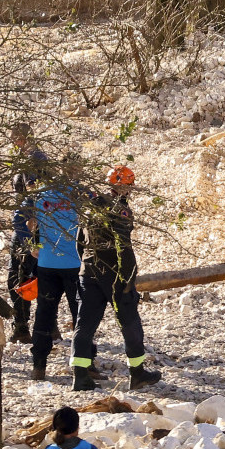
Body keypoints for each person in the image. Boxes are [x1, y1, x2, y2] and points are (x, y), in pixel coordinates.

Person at [69, 166, 162, 392]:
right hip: (113, 274)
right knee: (130, 323)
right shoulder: (119, 211)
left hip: (88, 272)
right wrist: (129, 279)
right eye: (128, 185)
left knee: (84, 324)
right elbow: (124, 247)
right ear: (122, 186)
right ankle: (137, 373)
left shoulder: (91, 207)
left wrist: (85, 266)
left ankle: (80, 376)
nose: (129, 189)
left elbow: (79, 242)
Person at [29, 185, 85, 381]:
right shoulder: (80, 194)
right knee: (81, 315)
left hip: (47, 263)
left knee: (44, 313)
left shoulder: (41, 195)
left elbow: (29, 223)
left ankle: (39, 365)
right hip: (74, 264)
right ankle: (84, 365)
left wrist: (33, 245)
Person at [7, 125, 49, 343]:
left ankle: (22, 326)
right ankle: (46, 326)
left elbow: (34, 192)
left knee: (20, 276)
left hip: (28, 226)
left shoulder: (33, 159)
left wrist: (31, 233)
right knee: (31, 275)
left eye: (15, 138)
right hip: (29, 224)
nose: (13, 142)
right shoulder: (34, 157)